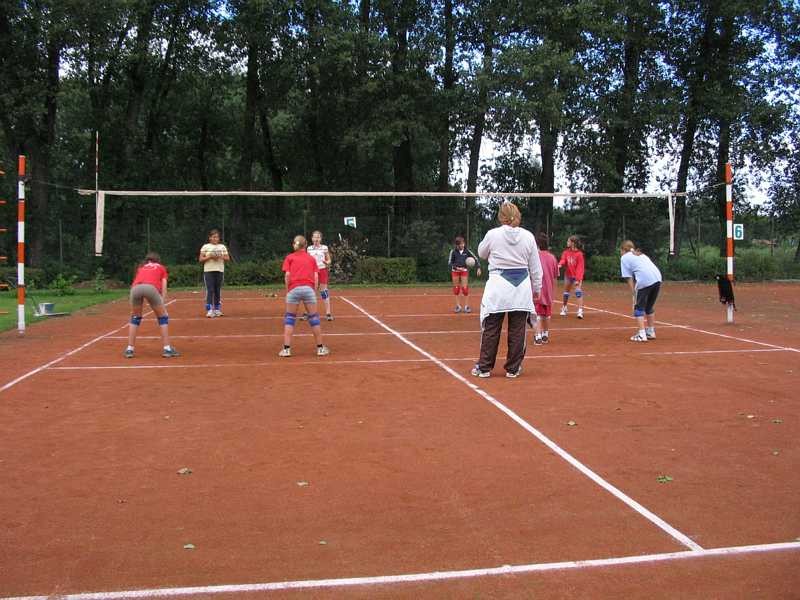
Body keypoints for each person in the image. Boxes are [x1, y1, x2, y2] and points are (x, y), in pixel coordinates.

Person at [473, 202, 542, 379]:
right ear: (517, 216)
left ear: (501, 217)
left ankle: (484, 367)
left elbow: (481, 253)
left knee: (491, 327)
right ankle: (513, 368)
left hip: (498, 287)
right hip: (521, 288)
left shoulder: (493, 234)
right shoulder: (528, 236)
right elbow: (535, 267)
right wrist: (537, 288)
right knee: (518, 329)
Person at [280, 235, 330, 357]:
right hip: (308, 289)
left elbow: (287, 275)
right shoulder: (311, 259)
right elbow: (316, 276)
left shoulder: (289, 257)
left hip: (293, 289)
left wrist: (288, 290)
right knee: (314, 318)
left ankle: (286, 349)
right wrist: (313, 290)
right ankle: (320, 348)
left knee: (289, 318)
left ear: (295, 245)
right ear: (305, 245)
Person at [124, 252, 180, 359]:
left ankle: (129, 349)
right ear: (158, 260)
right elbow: (164, 284)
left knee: (135, 318)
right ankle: (167, 349)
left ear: (147, 260)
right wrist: (162, 300)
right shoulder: (161, 267)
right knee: (163, 317)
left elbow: (136, 281)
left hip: (135, 289)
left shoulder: (141, 267)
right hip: (150, 288)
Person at [620, 240, 662, 342]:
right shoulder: (640, 254)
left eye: (620, 250)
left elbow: (628, 277)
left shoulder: (624, 258)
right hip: (658, 278)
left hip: (645, 280)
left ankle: (642, 334)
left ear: (623, 249)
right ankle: (651, 331)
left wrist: (633, 293)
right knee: (649, 307)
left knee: (638, 308)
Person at [533, 232, 559, 345]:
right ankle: (545, 335)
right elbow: (555, 276)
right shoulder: (552, 257)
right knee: (547, 313)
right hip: (548, 290)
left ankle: (538, 336)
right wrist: (553, 292)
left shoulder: (535, 257)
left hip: (537, 289)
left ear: (537, 245)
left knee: (537, 314)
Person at [198, 229, 230, 317]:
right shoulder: (205, 246)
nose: (215, 239)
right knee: (210, 290)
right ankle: (209, 310)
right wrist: (210, 256)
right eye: (213, 237)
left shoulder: (222, 247)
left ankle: (217, 309)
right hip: (208, 271)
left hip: (219, 270)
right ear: (210, 238)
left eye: (217, 237)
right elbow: (200, 259)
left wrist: (220, 255)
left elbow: (227, 258)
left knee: (217, 290)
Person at [447, 235, 482, 313]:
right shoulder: (453, 252)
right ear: (457, 245)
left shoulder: (467, 251)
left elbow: (476, 258)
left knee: (465, 289)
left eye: (463, 243)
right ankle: (458, 306)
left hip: (464, 270)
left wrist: (478, 267)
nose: (463, 245)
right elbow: (450, 263)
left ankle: (466, 306)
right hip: (455, 271)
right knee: (456, 289)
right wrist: (456, 267)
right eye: (461, 244)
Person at [307, 230, 334, 321]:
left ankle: (328, 313)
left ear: (321, 239)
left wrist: (327, 262)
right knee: (311, 292)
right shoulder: (309, 249)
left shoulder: (324, 248)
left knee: (324, 291)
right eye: (314, 237)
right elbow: (307, 260)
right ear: (312, 238)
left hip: (322, 270)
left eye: (318, 237)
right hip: (312, 272)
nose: (316, 239)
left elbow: (329, 260)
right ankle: (309, 312)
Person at [558, 235, 585, 319]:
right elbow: (563, 260)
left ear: (573, 243)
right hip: (568, 275)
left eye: (568, 241)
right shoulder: (566, 252)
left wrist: (577, 279)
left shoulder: (579, 254)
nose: (567, 242)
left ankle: (580, 311)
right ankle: (564, 307)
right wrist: (560, 264)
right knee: (566, 292)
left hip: (576, 276)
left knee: (578, 292)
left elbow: (580, 268)